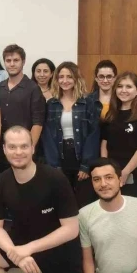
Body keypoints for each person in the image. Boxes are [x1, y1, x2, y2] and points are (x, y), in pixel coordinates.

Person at [0, 126, 82, 273]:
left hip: (57, 248)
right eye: (12, 147)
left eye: (24, 146)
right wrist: (14, 253)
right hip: (21, 242)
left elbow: (71, 229)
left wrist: (29, 248)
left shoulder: (55, 179)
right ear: (4, 149)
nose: (18, 152)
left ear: (32, 148)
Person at [79, 157, 137, 273]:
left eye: (109, 177)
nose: (103, 184)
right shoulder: (84, 215)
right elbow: (88, 260)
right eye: (97, 179)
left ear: (120, 181)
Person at [41, 61, 100, 207]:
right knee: (62, 201)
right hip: (60, 157)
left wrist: (86, 165)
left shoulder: (88, 102)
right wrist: (54, 165)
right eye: (61, 77)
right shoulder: (51, 104)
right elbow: (47, 136)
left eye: (69, 77)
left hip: (81, 156)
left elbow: (93, 135)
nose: (65, 80)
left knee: (83, 201)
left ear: (76, 79)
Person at [100, 72, 137, 199]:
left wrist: (125, 172)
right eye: (120, 86)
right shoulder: (110, 114)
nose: (123, 90)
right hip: (111, 172)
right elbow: (104, 144)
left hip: (135, 173)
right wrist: (105, 168)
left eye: (128, 86)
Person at [0, 44, 46, 172]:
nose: (12, 64)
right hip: (3, 151)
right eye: (8, 60)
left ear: (23, 62)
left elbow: (38, 123)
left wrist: (29, 149)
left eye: (16, 60)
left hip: (24, 152)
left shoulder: (33, 89)